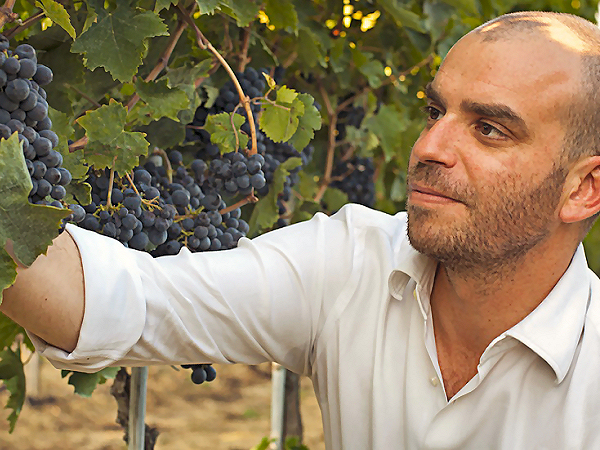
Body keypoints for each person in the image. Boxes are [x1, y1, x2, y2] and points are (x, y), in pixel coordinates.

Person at [3, 10, 600, 449]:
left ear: (584, 189)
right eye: (434, 112)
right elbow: (115, 302)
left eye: (490, 129)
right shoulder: (349, 263)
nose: (428, 147)